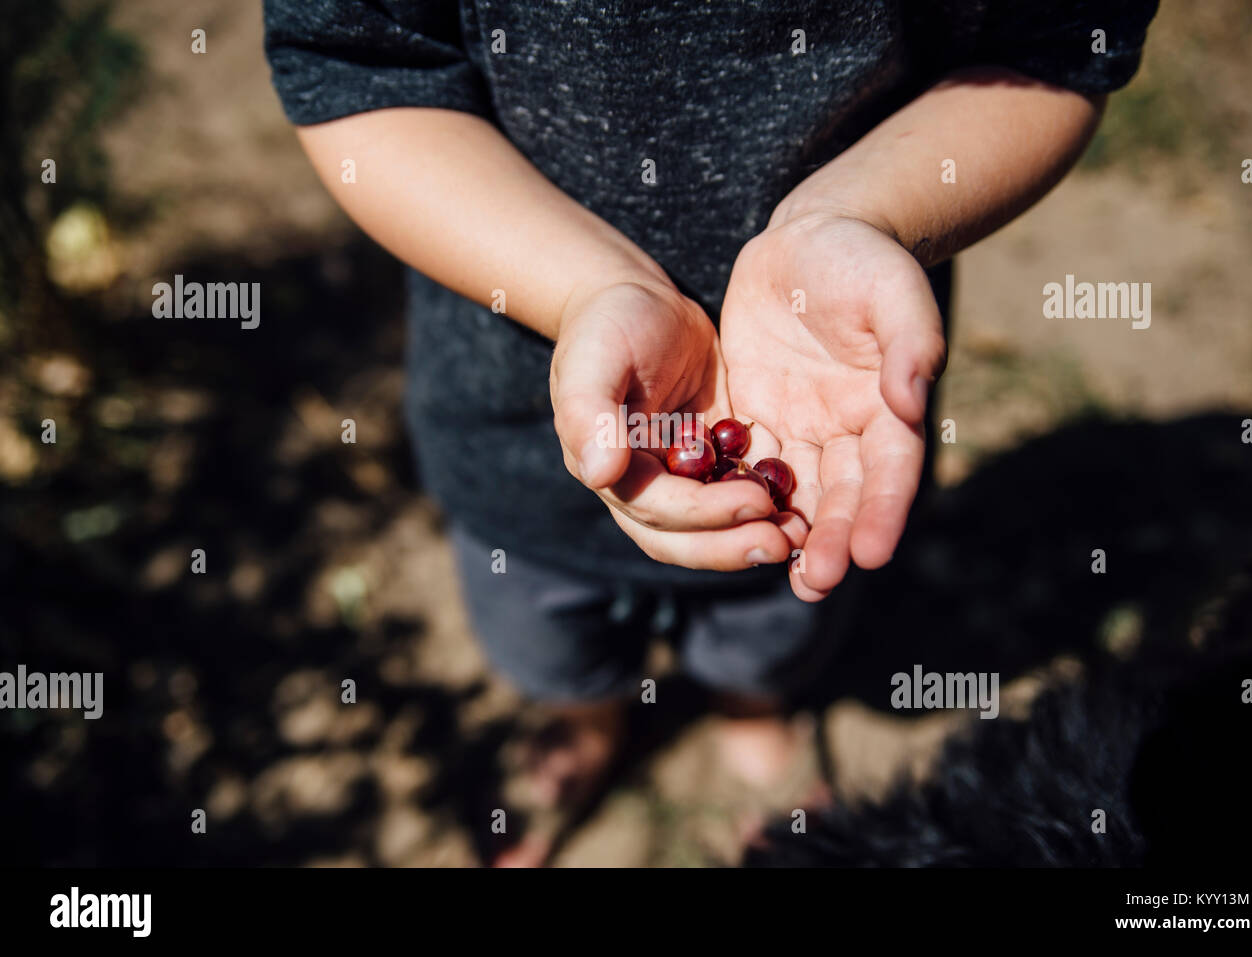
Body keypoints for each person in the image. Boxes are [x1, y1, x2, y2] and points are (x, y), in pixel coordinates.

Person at [262, 0, 1159, 862]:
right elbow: (356, 67)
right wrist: (584, 287)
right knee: (541, 632)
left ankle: (752, 709)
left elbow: (1057, 47)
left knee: (777, 615)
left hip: (820, 422)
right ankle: (586, 716)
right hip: (511, 427)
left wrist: (855, 215)